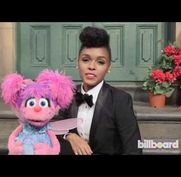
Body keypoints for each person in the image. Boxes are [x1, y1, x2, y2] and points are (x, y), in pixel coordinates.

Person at [56, 26, 142, 155]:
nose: (91, 66)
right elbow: (52, 129)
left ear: (109, 67)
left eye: (100, 62)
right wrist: (70, 136)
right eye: (86, 60)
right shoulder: (67, 94)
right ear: (77, 63)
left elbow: (133, 148)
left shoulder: (120, 100)